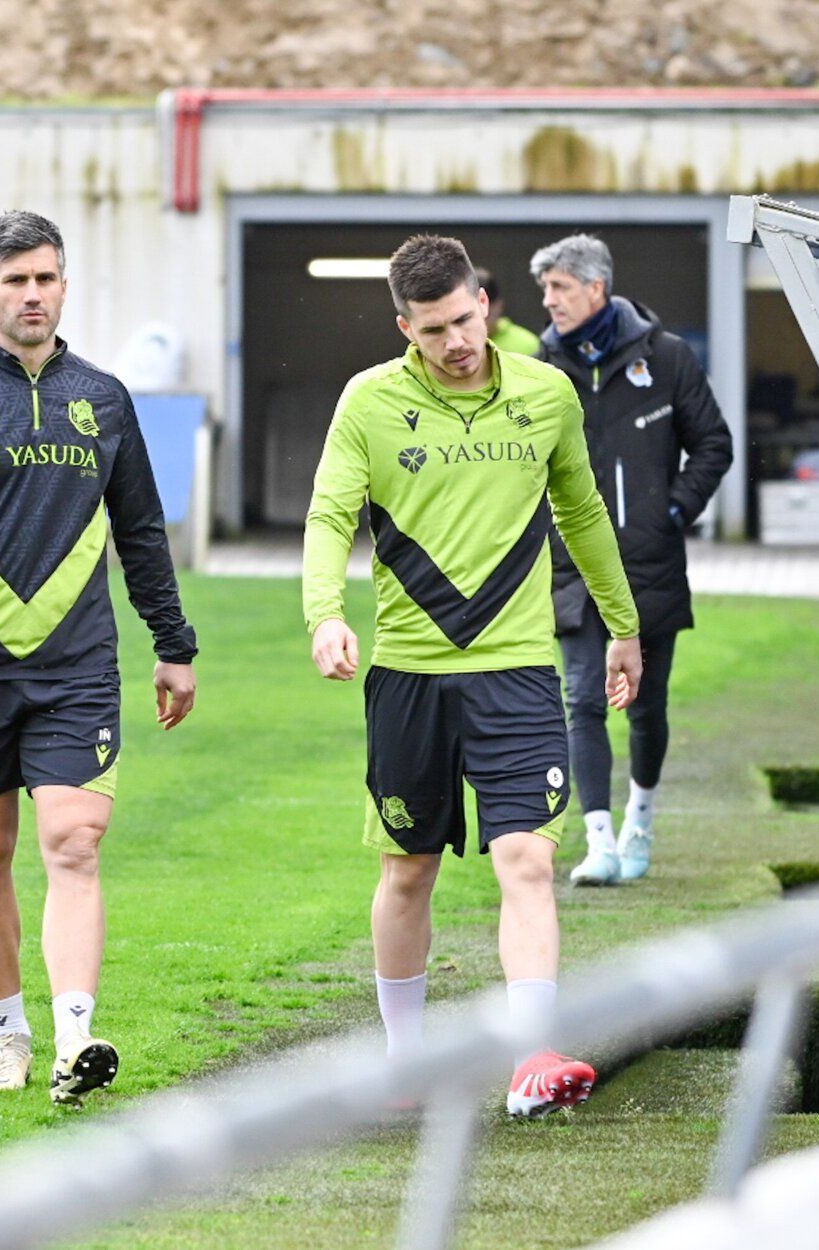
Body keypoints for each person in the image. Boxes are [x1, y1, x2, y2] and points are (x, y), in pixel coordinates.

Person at [302, 235, 642, 1116]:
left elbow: (583, 512)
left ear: (483, 304)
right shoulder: (368, 402)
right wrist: (325, 615)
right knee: (408, 868)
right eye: (434, 330)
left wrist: (622, 625)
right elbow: (330, 513)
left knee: (526, 857)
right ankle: (405, 1063)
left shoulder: (545, 392)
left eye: (465, 319)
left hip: (519, 669)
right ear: (403, 326)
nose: (456, 341)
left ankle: (532, 1060)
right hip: (409, 675)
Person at [0, 210, 199, 1106]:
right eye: (16, 280)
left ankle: (74, 1041)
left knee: (75, 841)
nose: (33, 294)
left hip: (77, 667)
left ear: (65, 287)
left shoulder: (104, 399)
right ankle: (9, 1036)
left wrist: (173, 647)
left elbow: (140, 531)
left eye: (47, 278)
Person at [531, 234, 733, 886]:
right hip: (574, 568)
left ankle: (639, 821)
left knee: (645, 707)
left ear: (596, 289)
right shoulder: (543, 366)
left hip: (650, 566)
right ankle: (598, 842)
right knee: (583, 698)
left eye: (559, 288)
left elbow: (714, 444)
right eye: (546, 290)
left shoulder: (667, 359)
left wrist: (671, 512)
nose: (549, 301)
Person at [478, 266, 541, 357]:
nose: (480, 321)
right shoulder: (455, 345)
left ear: (498, 305)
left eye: (487, 313)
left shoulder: (527, 345)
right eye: (468, 317)